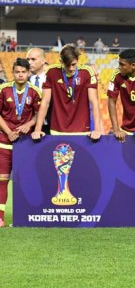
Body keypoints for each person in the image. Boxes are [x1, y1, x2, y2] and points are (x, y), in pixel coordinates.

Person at [0, 58, 42, 227]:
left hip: (25, 145)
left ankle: (24, 218)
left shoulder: (35, 92)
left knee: (25, 181)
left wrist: (29, 124)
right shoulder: (3, 90)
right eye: (17, 72)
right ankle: (1, 218)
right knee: (2, 180)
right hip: (4, 141)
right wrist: (9, 131)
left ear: (28, 73)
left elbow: (40, 114)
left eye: (23, 72)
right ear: (13, 72)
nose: (20, 75)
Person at [31, 45, 102, 139]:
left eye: (73, 64)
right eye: (67, 65)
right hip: (57, 130)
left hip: (82, 130)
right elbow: (45, 102)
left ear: (77, 60)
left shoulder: (87, 72)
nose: (71, 68)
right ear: (61, 61)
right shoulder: (51, 72)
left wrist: (97, 129)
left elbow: (94, 101)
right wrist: (37, 129)